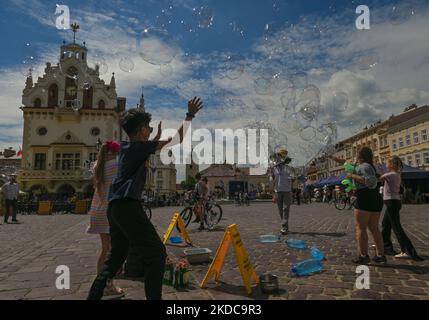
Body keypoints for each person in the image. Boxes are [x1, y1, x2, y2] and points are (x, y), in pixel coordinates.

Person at [86, 96, 203, 300]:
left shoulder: (126, 147)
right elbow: (176, 139)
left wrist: (153, 135)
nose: (149, 130)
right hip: (127, 206)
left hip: (114, 208)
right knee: (156, 254)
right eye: (147, 127)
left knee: (116, 257)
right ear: (141, 130)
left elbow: (148, 144)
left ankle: (93, 296)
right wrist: (190, 115)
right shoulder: (138, 148)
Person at [332, 147, 385, 264]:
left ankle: (363, 255)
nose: (355, 157)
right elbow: (346, 163)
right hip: (375, 198)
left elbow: (370, 182)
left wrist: (352, 176)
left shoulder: (364, 166)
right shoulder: (369, 166)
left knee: (361, 228)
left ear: (360, 156)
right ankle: (381, 256)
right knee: (374, 228)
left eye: (357, 155)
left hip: (365, 198)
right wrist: (335, 159)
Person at [86, 140, 124, 296]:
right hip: (110, 210)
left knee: (105, 250)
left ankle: (102, 282)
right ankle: (107, 286)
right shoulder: (115, 165)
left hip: (98, 210)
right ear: (115, 153)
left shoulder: (97, 166)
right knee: (111, 252)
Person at [380, 156, 423, 261]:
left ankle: (408, 251)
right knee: (385, 225)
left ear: (392, 164)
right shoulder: (395, 174)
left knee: (397, 228)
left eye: (387, 162)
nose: (386, 164)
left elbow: (379, 178)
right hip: (393, 202)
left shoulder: (391, 174)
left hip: (391, 202)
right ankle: (385, 246)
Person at [270, 149, 292, 235]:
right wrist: (273, 194)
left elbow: (292, 177)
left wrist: (292, 178)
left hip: (287, 190)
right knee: (280, 210)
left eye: (283, 156)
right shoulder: (274, 168)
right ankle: (285, 226)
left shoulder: (288, 168)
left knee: (286, 209)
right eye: (280, 156)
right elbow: (272, 181)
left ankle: (284, 226)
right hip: (278, 191)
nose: (281, 158)